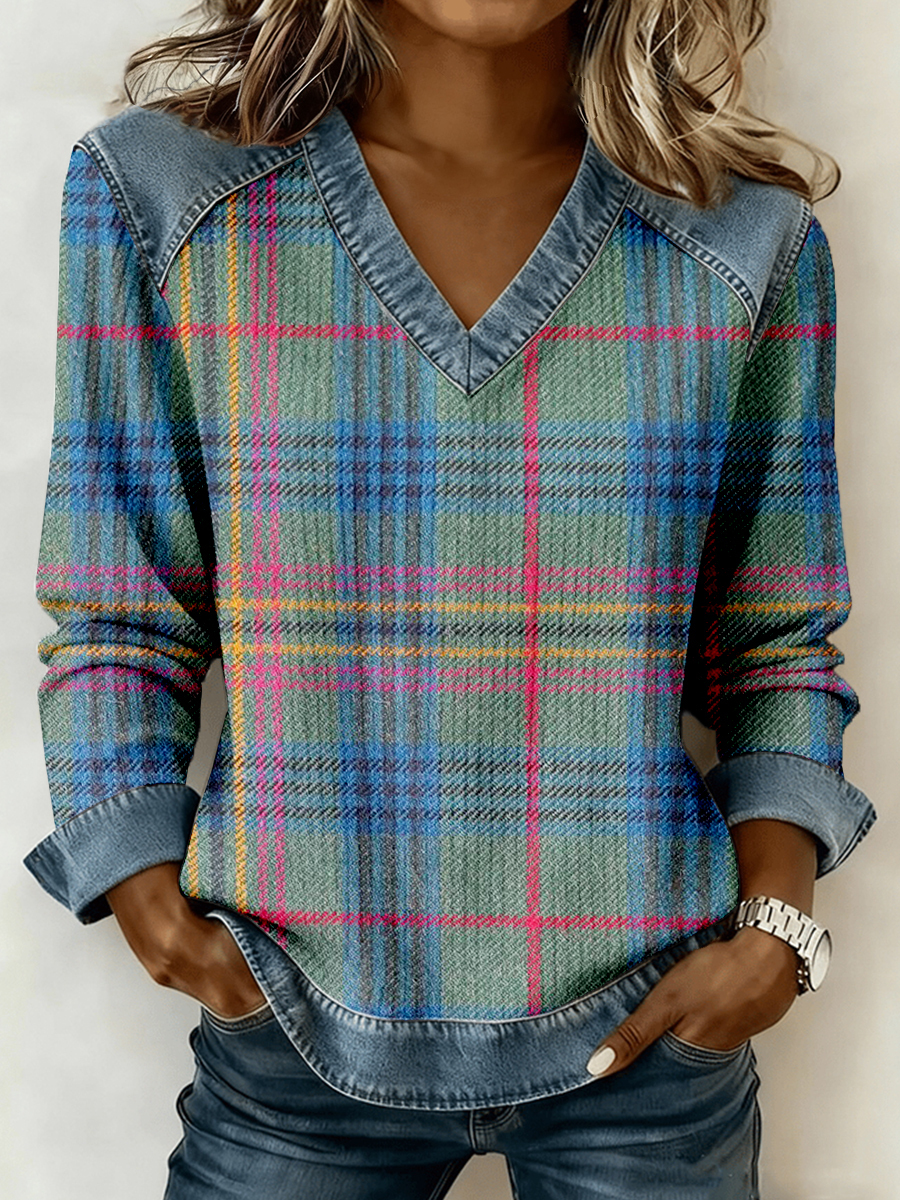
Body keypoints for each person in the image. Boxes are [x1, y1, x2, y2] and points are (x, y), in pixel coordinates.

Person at [24, 1, 877, 1196]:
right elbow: (120, 605)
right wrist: (144, 896)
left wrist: (774, 935)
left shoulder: (740, 239)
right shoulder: (164, 199)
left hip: (653, 1042)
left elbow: (773, 639)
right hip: (289, 1030)